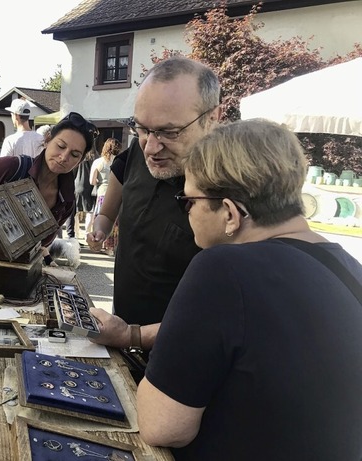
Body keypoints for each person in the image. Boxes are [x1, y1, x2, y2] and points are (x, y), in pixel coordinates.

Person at [136, 119, 362, 460]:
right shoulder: (348, 270)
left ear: (229, 212)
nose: (188, 213)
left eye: (188, 201)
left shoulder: (223, 268)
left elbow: (162, 424)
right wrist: (133, 335)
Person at [87, 56, 220, 349]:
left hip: (178, 357)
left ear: (212, 118)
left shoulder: (228, 188)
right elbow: (108, 213)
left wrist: (132, 335)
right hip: (122, 334)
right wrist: (101, 226)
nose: (151, 146)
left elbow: (221, 315)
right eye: (143, 129)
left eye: (169, 132)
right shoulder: (138, 150)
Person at [0, 112, 96, 253]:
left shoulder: (66, 200)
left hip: (24, 276)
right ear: (48, 140)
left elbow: (42, 245)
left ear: (80, 160)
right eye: (61, 146)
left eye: (75, 154)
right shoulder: (8, 168)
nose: (64, 157)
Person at [89, 138, 120, 255]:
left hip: (102, 193)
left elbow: (92, 181)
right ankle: (110, 248)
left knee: (101, 218)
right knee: (115, 223)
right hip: (116, 195)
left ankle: (98, 243)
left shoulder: (98, 162)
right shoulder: (119, 161)